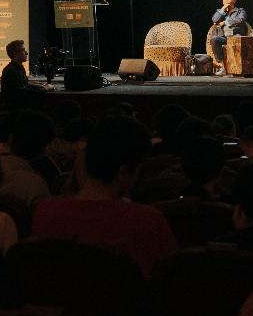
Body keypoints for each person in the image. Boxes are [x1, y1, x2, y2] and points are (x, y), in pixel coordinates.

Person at [32, 116, 178, 277]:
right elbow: (171, 282)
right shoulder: (147, 221)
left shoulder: (44, 212)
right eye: (137, 170)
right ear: (123, 172)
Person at [0, 40, 52, 109]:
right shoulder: (10, 71)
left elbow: (25, 86)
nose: (26, 53)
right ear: (15, 53)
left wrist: (40, 86)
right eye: (23, 50)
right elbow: (22, 92)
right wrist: (44, 88)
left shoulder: (20, 68)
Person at [210, 0, 248, 75]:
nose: (226, 0)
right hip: (225, 38)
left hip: (236, 37)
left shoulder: (240, 11)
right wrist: (223, 9)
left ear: (234, 0)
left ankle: (239, 68)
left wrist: (225, 22)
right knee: (214, 39)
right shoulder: (221, 12)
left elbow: (240, 19)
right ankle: (222, 66)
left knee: (236, 38)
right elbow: (214, 19)